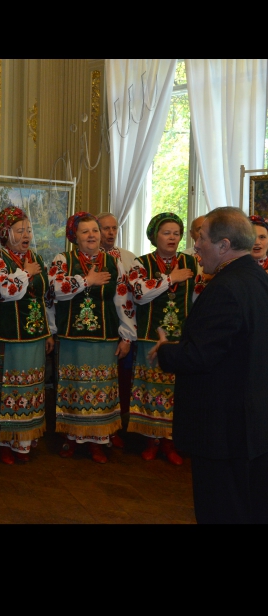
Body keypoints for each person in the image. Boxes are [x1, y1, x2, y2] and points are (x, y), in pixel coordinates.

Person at [151, 206, 268, 524]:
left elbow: (200, 356)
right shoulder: (257, 278)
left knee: (222, 508)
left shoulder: (225, 289)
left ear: (224, 245)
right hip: (250, 423)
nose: (195, 245)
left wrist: (166, 351)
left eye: (201, 238)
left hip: (222, 428)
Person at [49, 212, 136, 463]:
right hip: (71, 337)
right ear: (74, 236)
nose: (92, 235)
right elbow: (54, 290)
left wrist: (127, 336)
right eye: (85, 231)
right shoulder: (63, 259)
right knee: (73, 388)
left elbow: (123, 300)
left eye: (95, 231)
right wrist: (87, 281)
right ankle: (72, 438)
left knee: (100, 391)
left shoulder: (113, 262)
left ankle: (98, 441)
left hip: (104, 337)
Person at [0, 207, 55, 464]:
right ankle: (4, 441)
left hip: (34, 336)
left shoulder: (35, 258)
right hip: (7, 337)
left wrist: (48, 333)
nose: (26, 234)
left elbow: (45, 299)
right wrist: (26, 273)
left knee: (31, 388)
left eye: (28, 229)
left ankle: (25, 441)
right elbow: (5, 291)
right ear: (5, 233)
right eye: (19, 230)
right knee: (8, 388)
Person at [126, 212, 196, 465]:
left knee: (176, 392)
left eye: (176, 233)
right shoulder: (140, 263)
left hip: (180, 340)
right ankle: (151, 441)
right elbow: (139, 294)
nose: (172, 237)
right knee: (150, 390)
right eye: (166, 233)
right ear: (155, 236)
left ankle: (170, 442)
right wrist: (171, 278)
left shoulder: (193, 262)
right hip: (149, 336)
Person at [97, 211, 137, 446]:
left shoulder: (129, 258)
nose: (111, 233)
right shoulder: (83, 259)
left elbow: (129, 299)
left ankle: (115, 428)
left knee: (118, 382)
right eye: (105, 228)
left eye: (114, 228)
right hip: (96, 329)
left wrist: (128, 335)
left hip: (121, 330)